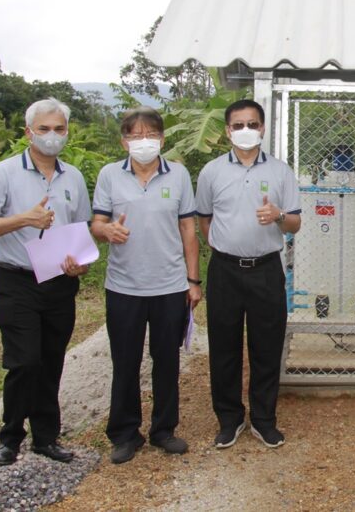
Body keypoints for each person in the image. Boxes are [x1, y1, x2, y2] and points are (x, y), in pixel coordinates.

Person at [0, 98, 91, 466]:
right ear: (28, 132)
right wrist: (24, 219)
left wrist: (80, 265)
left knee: (51, 361)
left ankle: (46, 437)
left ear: (67, 132)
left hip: (59, 284)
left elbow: (80, 231)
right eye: (44, 129)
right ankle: (10, 436)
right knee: (24, 361)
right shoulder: (4, 173)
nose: (52, 135)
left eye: (59, 129)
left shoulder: (74, 177)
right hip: (17, 281)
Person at [91, 107, 202, 464]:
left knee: (166, 360)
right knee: (125, 361)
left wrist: (193, 280)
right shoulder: (109, 175)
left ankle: (163, 430)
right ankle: (125, 434)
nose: (144, 141)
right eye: (136, 135)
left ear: (162, 139)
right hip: (124, 286)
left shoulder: (179, 174)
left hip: (170, 285)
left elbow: (188, 229)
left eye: (151, 134)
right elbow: (97, 223)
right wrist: (106, 230)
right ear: (124, 141)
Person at [196, 99, 301, 449]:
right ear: (228, 130)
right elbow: (205, 220)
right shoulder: (211, 172)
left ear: (262, 128)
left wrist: (279, 216)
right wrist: (224, 246)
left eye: (252, 124)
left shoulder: (281, 172)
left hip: (266, 270)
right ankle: (229, 419)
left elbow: (295, 223)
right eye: (238, 125)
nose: (246, 130)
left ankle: (264, 420)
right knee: (223, 347)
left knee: (266, 348)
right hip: (224, 271)